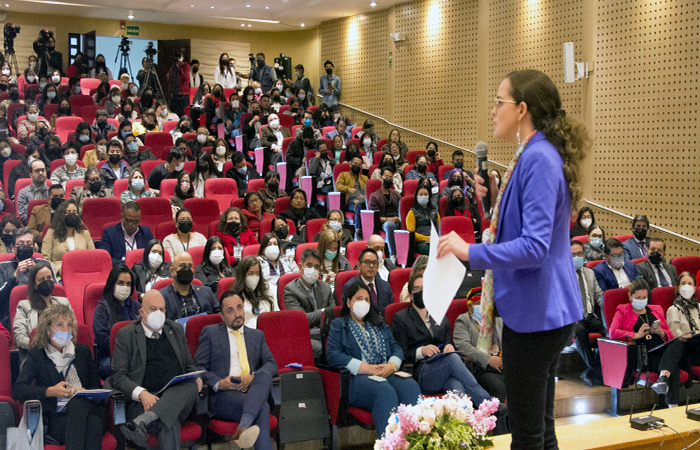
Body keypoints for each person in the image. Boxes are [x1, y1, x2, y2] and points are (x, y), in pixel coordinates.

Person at [435, 69, 592, 449]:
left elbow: (535, 247)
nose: (493, 110)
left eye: (499, 102)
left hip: (536, 312)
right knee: (539, 428)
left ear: (522, 109)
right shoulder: (533, 153)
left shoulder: (538, 158)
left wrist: (469, 250)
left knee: (526, 435)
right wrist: (494, 202)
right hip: (541, 309)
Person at [392, 271, 498, 411]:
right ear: (410, 295)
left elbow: (447, 339)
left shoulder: (438, 314)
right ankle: (486, 403)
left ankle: (459, 428)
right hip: (422, 370)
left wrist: (449, 345)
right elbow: (401, 352)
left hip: (444, 366)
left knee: (457, 388)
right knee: (453, 359)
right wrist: (421, 351)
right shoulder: (401, 318)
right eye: (417, 289)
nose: (422, 292)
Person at [326, 281, 420, 436]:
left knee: (410, 386)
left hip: (386, 372)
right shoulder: (339, 324)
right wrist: (366, 368)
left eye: (367, 299)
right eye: (358, 298)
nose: (364, 302)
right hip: (358, 379)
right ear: (349, 302)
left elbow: (396, 347)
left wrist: (392, 365)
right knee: (384, 391)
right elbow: (333, 355)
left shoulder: (379, 323)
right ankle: (389, 444)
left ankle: (414, 441)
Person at [111, 289, 203, 449]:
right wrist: (142, 394)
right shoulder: (125, 335)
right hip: (144, 401)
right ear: (141, 312)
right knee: (169, 421)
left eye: (162, 309)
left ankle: (141, 422)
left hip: (177, 399)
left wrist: (196, 377)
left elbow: (189, 365)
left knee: (192, 383)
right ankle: (141, 419)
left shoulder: (175, 329)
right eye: (153, 309)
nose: (158, 313)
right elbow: (118, 376)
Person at [13, 303, 105, 448]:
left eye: (69, 325)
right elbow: (18, 389)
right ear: (49, 330)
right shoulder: (38, 355)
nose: (66, 329)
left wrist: (85, 392)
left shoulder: (82, 351)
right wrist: (49, 391)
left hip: (89, 409)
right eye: (60, 325)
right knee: (94, 425)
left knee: (78, 403)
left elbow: (96, 386)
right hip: (58, 416)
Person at [194, 290, 277, 449]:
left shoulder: (256, 335)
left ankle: (242, 429)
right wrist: (219, 383)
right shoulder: (210, 333)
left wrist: (252, 377)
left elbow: (271, 363)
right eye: (230, 311)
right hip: (224, 394)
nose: (237, 313)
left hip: (252, 389)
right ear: (222, 316)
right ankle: (243, 428)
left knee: (265, 374)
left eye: (239, 308)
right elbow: (198, 367)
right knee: (263, 407)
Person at [609, 278, 683, 405]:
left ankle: (663, 379)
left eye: (644, 297)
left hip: (661, 348)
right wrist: (635, 335)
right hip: (644, 353)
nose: (641, 300)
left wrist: (661, 332)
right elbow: (612, 332)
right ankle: (672, 404)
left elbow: (669, 334)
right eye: (638, 297)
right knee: (672, 368)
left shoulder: (656, 309)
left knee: (677, 343)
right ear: (630, 296)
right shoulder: (622, 310)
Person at [283, 248, 334, 359]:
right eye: (309, 265)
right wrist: (323, 312)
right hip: (305, 336)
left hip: (326, 333)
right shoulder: (291, 290)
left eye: (316, 267)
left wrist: (316, 315)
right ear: (301, 267)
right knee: (320, 348)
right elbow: (301, 321)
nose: (313, 269)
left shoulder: (325, 287)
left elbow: (333, 313)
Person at [453, 298, 507, 403]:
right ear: (469, 306)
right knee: (497, 386)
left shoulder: (497, 318)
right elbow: (463, 346)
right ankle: (496, 418)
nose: (482, 307)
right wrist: (488, 359)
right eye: (478, 304)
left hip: (503, 365)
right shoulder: (464, 320)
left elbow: (508, 341)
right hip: (481, 368)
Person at [93, 264, 141, 378]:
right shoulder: (102, 309)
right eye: (120, 283)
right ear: (112, 284)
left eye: (128, 284)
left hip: (136, 355)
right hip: (110, 357)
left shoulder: (138, 307)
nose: (125, 287)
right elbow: (102, 339)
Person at [13, 262, 70, 357]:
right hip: (35, 357)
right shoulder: (24, 306)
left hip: (62, 354)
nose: (46, 281)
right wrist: (46, 345)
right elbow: (20, 339)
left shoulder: (64, 303)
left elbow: (73, 330)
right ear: (35, 285)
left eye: (49, 278)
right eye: (41, 279)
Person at [570, 240, 606, 387]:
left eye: (579, 253)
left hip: (591, 316)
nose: (577, 257)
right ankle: (596, 370)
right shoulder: (563, 275)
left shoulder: (590, 273)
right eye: (573, 254)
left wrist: (608, 309)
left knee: (611, 330)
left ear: (584, 255)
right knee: (579, 332)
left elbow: (598, 295)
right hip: (574, 319)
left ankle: (592, 371)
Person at [42, 199, 94, 280]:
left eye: (74, 212)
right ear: (61, 215)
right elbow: (45, 260)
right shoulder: (51, 233)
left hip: (83, 274)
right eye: (68, 212)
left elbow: (93, 256)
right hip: (60, 275)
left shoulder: (85, 234)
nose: (72, 215)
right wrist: (59, 270)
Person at [159, 251, 218, 321]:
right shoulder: (161, 297)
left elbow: (219, 316)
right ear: (172, 271)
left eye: (190, 266)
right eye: (182, 266)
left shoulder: (206, 292)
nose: (186, 269)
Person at [342, 248, 393, 316]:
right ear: (359, 266)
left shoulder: (385, 285)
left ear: (377, 267)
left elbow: (389, 311)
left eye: (374, 263)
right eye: (367, 262)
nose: (371, 266)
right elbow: (347, 315)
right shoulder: (350, 286)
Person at [101, 201, 155, 266]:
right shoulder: (110, 233)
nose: (133, 225)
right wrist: (128, 263)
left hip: (142, 271)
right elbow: (105, 259)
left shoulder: (146, 232)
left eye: (136, 221)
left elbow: (155, 253)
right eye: (130, 221)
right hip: (119, 271)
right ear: (122, 217)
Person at [232, 255, 277, 328]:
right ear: (243, 275)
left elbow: (276, 314)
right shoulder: (235, 296)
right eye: (250, 273)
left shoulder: (266, 290)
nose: (254, 277)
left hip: (269, 331)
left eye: (257, 273)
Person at [257, 232, 299, 304]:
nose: (272, 247)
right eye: (269, 244)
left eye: (275, 244)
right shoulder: (257, 264)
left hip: (291, 295)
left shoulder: (288, 260)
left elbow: (298, 278)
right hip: (269, 297)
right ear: (263, 249)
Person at [369, 165, 401, 259]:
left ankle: (406, 254)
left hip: (397, 220)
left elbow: (401, 210)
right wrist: (391, 219)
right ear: (380, 178)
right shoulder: (374, 196)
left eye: (391, 178)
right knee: (389, 225)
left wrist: (399, 218)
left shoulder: (396, 194)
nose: (388, 180)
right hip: (384, 222)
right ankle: (393, 255)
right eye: (386, 177)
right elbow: (376, 218)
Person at [336, 155, 367, 238]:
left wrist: (365, 196)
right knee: (359, 205)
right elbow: (338, 186)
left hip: (363, 200)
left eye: (359, 164)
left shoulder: (364, 178)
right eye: (355, 163)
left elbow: (369, 190)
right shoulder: (343, 175)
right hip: (350, 201)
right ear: (350, 164)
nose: (356, 166)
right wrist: (349, 189)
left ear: (361, 166)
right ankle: (358, 231)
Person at [407, 183, 440, 255]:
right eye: (421, 194)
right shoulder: (412, 212)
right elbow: (411, 234)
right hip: (420, 242)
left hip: (435, 240)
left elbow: (440, 229)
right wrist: (426, 238)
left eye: (425, 194)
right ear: (416, 197)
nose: (423, 196)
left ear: (429, 197)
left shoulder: (435, 212)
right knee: (428, 249)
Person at [16, 159, 49, 223]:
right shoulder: (23, 193)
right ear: (31, 175)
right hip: (30, 227)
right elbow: (24, 217)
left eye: (43, 170)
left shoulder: (51, 192)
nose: (41, 173)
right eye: (37, 171)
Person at [284, 126, 314, 191]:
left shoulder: (313, 143)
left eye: (310, 141)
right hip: (296, 168)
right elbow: (288, 157)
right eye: (307, 141)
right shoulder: (294, 143)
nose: (308, 143)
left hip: (310, 167)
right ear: (302, 137)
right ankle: (302, 191)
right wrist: (300, 161)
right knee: (303, 169)